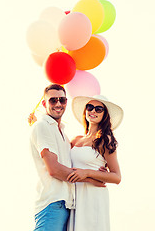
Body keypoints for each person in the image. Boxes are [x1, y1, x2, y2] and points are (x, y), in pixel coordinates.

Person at [29, 84, 105, 231]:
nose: (58, 104)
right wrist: (91, 179)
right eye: (53, 100)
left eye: (62, 100)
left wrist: (97, 168)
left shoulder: (62, 132)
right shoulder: (42, 126)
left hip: (66, 204)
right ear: (44, 103)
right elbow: (54, 169)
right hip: (52, 204)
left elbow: (76, 159)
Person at [67, 95, 123, 231]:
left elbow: (117, 177)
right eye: (90, 107)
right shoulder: (75, 140)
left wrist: (87, 173)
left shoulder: (105, 140)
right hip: (74, 196)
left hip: (93, 196)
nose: (93, 112)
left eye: (99, 109)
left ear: (104, 115)